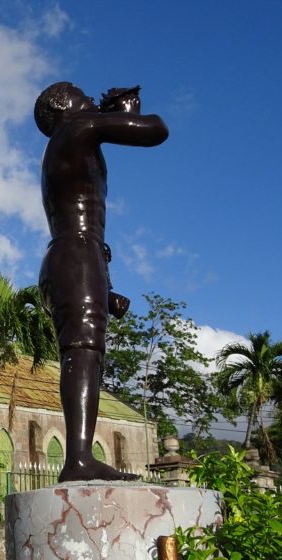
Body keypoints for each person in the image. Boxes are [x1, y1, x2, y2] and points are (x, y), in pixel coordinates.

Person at [35, 82, 168, 481]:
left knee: (88, 353)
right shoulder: (76, 127)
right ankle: (78, 458)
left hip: (79, 257)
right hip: (75, 254)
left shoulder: (76, 137)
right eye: (80, 93)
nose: (90, 98)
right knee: (83, 350)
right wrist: (125, 111)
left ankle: (80, 455)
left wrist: (105, 291)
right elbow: (155, 130)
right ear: (62, 104)